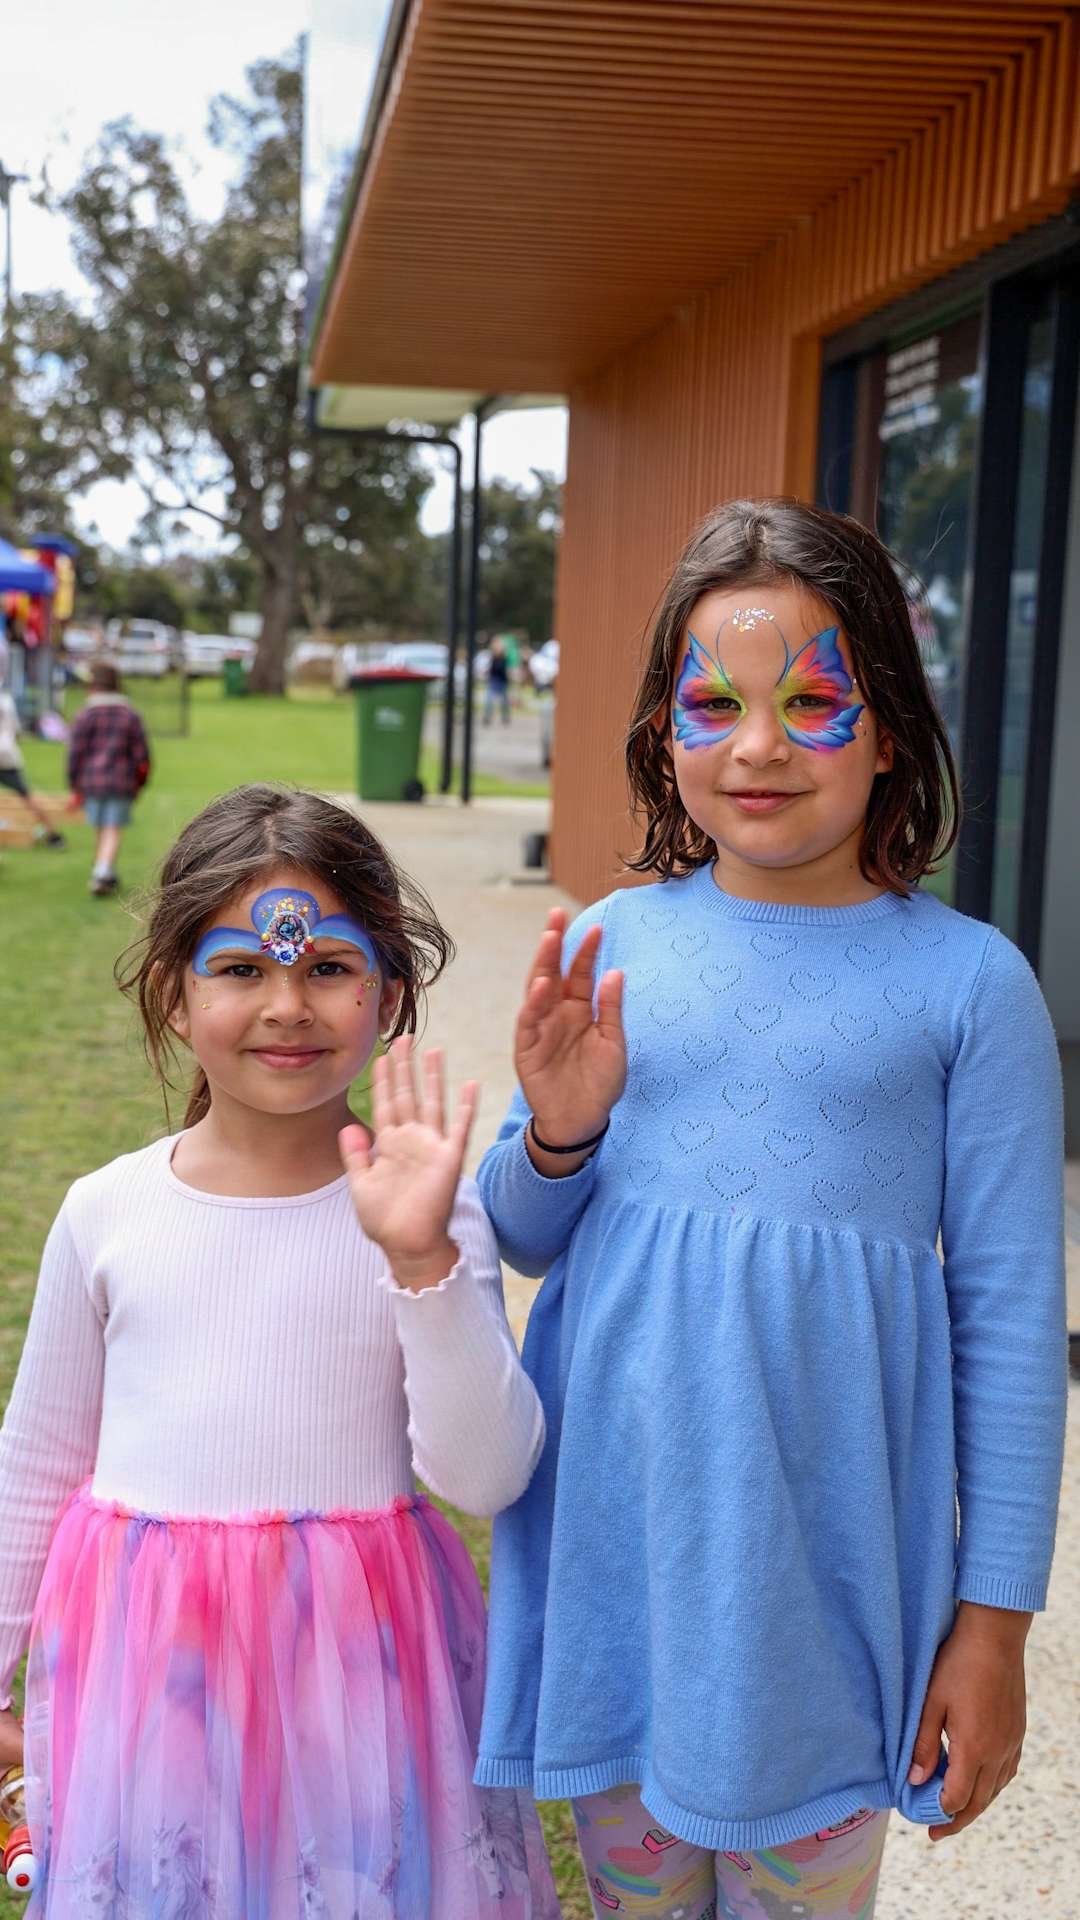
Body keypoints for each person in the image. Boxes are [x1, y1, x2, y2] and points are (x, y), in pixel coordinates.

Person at [474, 499, 1067, 1919]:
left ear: (888, 729)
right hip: (624, 1568)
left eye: (812, 702)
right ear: (662, 731)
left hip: (825, 1587)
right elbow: (520, 1232)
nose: (756, 747)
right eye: (713, 703)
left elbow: (1008, 1323)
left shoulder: (970, 985)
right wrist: (559, 1129)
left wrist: (993, 1630)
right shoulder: (613, 941)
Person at [0, 784, 559, 1918]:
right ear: (173, 988)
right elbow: (36, 1466)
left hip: (359, 1678)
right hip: (152, 1674)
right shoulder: (107, 1212)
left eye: (330, 966)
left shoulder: (425, 1215)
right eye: (243, 968)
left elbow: (487, 1473)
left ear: (389, 988)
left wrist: (419, 1266)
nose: (288, 1006)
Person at [66, 659, 150, 895]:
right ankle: (103, 873)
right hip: (122, 780)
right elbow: (141, 754)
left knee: (102, 827)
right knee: (112, 828)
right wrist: (140, 782)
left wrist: (74, 783)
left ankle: (104, 871)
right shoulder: (129, 715)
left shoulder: (85, 715)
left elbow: (76, 753)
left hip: (91, 780)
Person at [0, 640, 66, 848]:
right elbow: (16, 730)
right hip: (7, 753)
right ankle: (52, 833)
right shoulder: (6, 700)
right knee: (26, 795)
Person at [483, 638, 511, 726]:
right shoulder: (492, 657)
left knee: (504, 702)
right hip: (493, 681)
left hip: (502, 682)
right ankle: (487, 717)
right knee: (489, 701)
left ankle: (505, 718)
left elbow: (506, 669)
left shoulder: (504, 658)